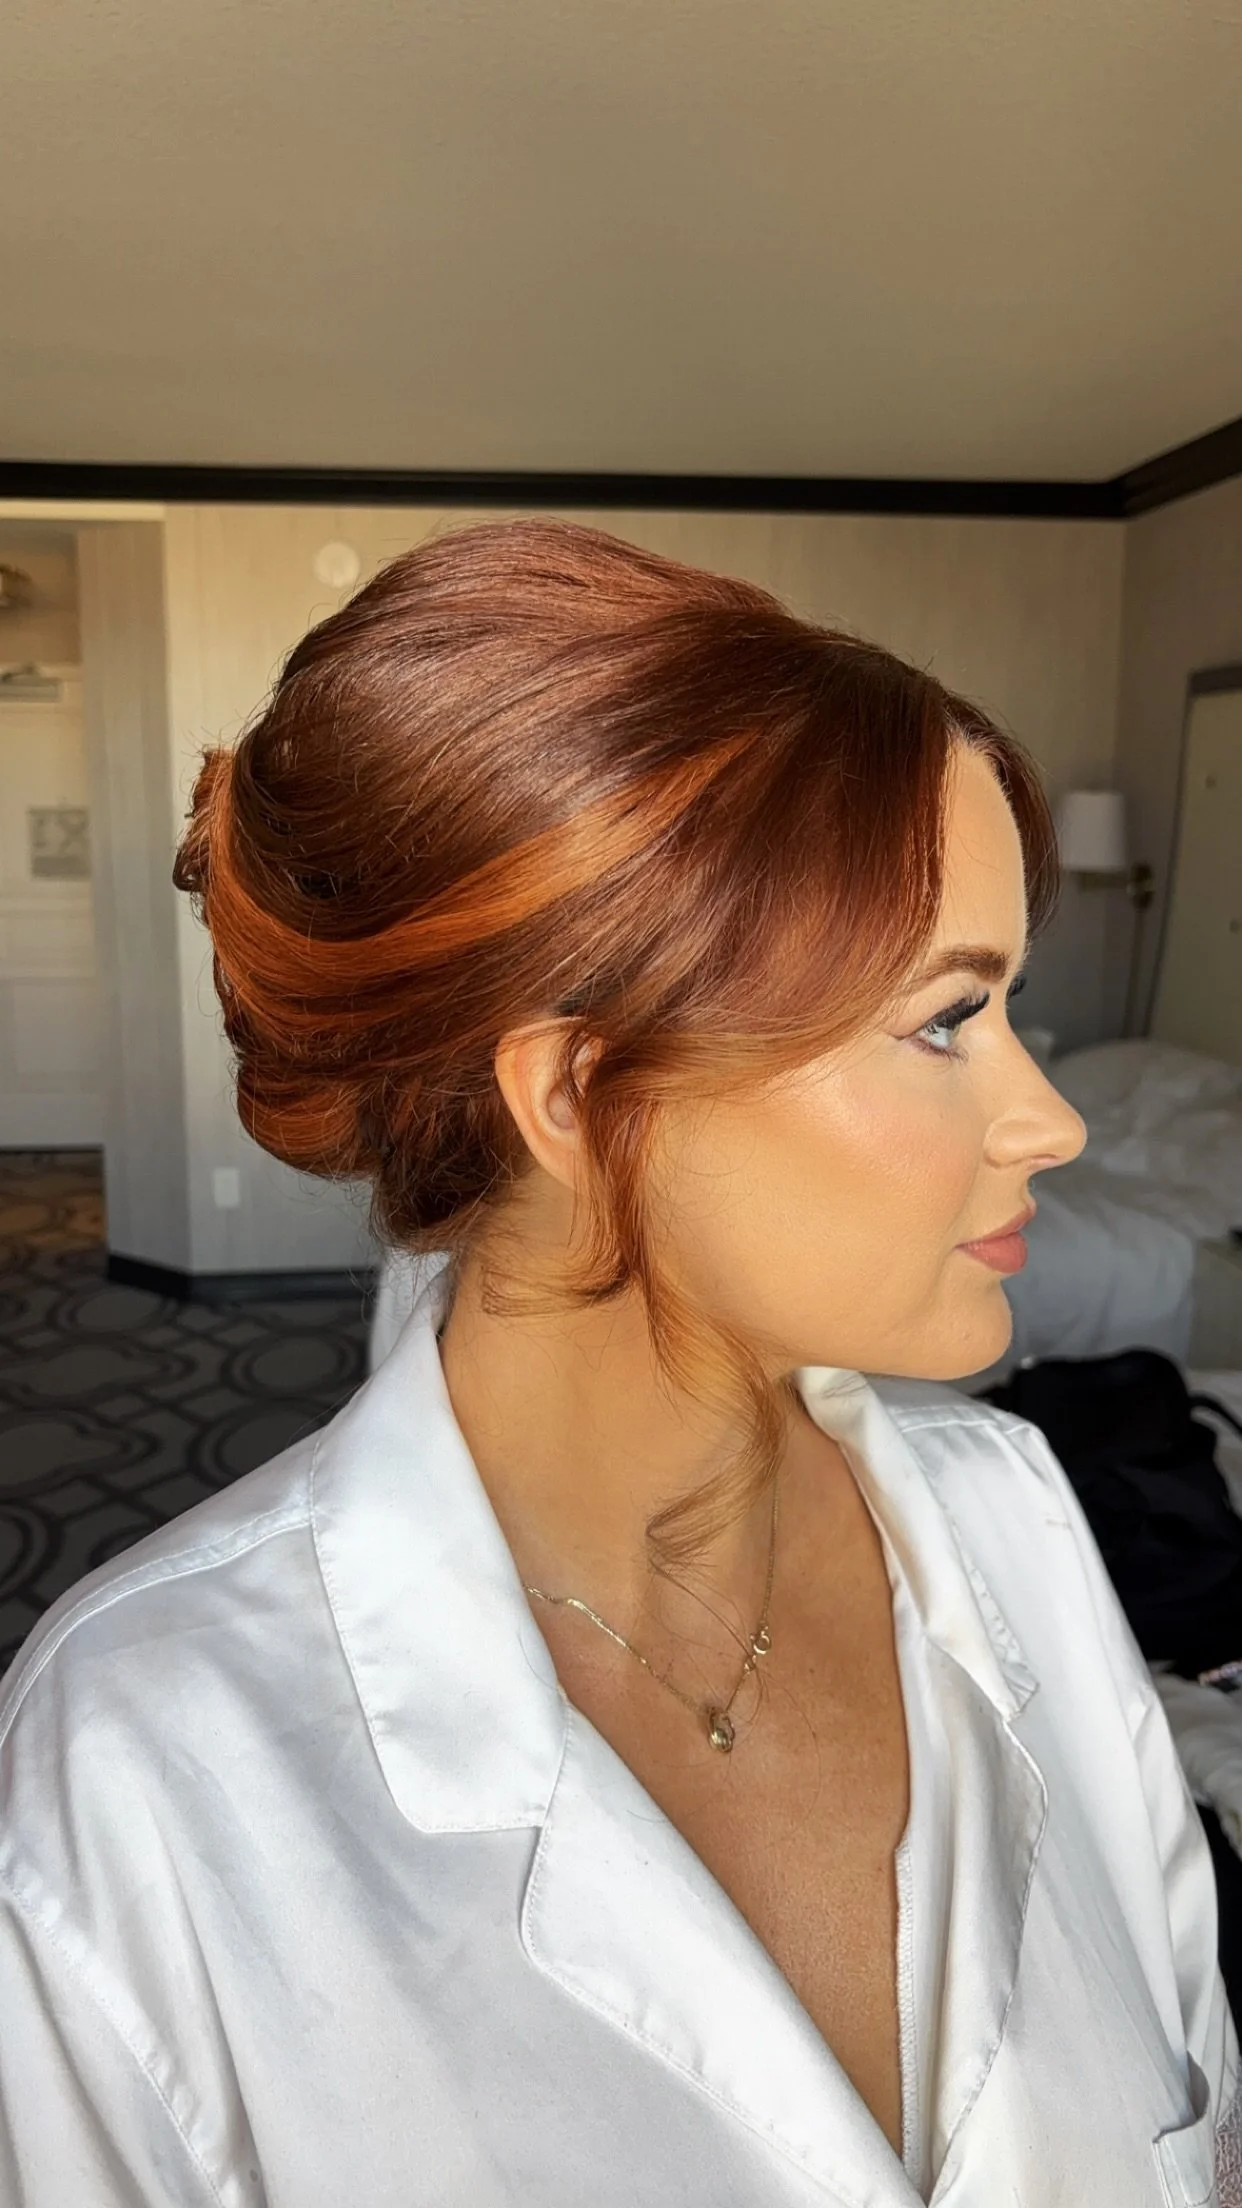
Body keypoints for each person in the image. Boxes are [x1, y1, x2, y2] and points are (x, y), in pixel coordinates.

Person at [0, 518, 1237, 2206]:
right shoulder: (137, 1769)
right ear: (578, 1096)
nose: (1050, 1117)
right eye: (946, 1019)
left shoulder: (1008, 1512)